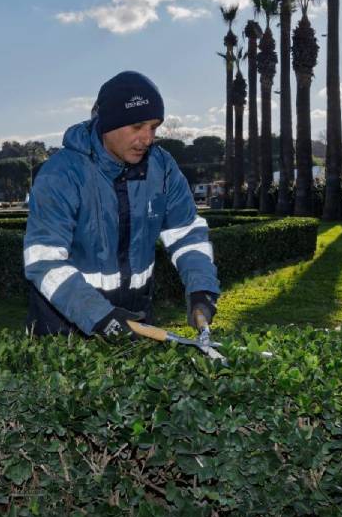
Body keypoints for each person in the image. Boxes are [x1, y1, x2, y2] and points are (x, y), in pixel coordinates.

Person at [23, 71, 220, 338]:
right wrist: (101, 316)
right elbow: (44, 261)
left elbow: (187, 237)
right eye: (137, 127)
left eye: (153, 127)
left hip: (137, 320)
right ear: (108, 124)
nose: (148, 138)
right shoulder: (60, 174)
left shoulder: (162, 168)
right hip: (64, 328)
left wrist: (202, 290)